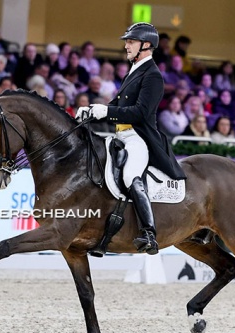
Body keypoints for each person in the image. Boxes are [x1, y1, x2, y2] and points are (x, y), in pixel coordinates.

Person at [76, 22, 186, 255]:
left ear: (146, 45)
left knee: (130, 176)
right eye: (127, 41)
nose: (126, 45)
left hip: (139, 137)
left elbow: (140, 112)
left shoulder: (153, 75)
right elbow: (117, 105)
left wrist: (106, 112)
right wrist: (92, 111)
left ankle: (148, 232)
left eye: (131, 41)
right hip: (120, 135)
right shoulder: (134, 70)